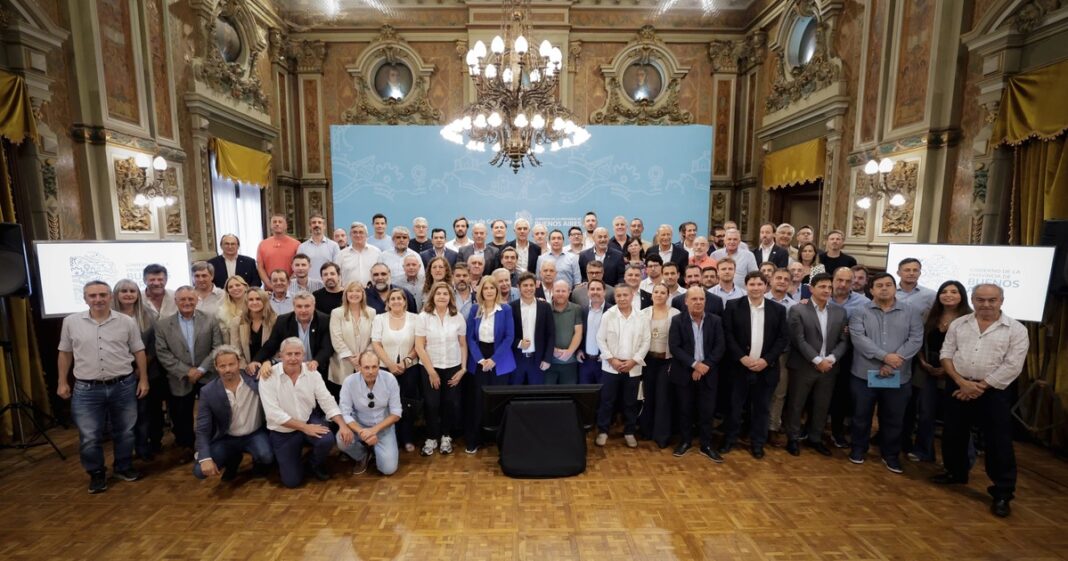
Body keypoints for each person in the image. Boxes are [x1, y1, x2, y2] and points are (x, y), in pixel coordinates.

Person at [934, 284, 1029, 518]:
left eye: (992, 300)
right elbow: (946, 354)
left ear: (1001, 301)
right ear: (973, 301)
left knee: (998, 442)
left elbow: (1013, 365)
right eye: (980, 300)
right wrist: (960, 382)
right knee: (954, 433)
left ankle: (1002, 492)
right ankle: (956, 473)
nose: (986, 304)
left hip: (994, 391)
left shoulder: (1016, 330)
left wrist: (980, 386)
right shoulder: (959, 324)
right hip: (958, 385)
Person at [58, 280, 149, 493]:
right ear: (85, 298)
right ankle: (96, 473)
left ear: (110, 297)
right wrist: (62, 381)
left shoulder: (127, 321)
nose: (98, 299)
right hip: (86, 389)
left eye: (102, 295)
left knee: (125, 431)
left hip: (123, 385)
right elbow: (65, 352)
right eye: (93, 296)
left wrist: (143, 379)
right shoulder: (71, 322)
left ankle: (123, 466)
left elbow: (139, 351)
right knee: (90, 435)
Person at [848, 272, 924, 474]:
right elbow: (859, 339)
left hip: (898, 375)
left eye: (888, 285)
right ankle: (858, 449)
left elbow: (916, 339)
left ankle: (890, 455)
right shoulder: (859, 311)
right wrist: (885, 357)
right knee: (861, 416)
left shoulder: (911, 312)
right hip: (864, 374)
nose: (884, 288)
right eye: (879, 285)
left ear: (894, 288)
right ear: (871, 289)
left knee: (893, 418)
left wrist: (893, 362)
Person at [259, 337, 353, 487]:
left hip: (308, 419)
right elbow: (273, 414)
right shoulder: (268, 376)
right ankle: (293, 462)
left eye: (297, 354)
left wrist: (342, 425)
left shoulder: (312, 373)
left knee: (327, 439)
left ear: (303, 355)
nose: (293, 358)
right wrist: (305, 428)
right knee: (292, 482)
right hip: (283, 430)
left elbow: (326, 400)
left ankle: (314, 463)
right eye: (289, 354)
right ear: (280, 355)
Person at [720, 272, 790, 459]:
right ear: (746, 286)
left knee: (761, 408)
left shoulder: (778, 310)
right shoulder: (734, 306)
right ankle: (730, 440)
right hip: (739, 368)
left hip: (766, 369)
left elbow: (782, 339)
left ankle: (758, 443)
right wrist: (741, 357)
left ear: (766, 286)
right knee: (734, 407)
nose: (756, 288)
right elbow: (727, 334)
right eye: (752, 284)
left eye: (760, 284)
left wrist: (766, 360)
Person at [783, 273, 849, 457]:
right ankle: (793, 438)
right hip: (804, 365)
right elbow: (798, 340)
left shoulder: (840, 312)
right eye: (822, 287)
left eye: (829, 287)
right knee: (796, 404)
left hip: (829, 367)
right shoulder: (798, 310)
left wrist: (831, 359)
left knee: (822, 405)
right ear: (811, 288)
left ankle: (815, 438)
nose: (826, 290)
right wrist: (817, 360)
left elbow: (844, 340)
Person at [156, 286, 223, 460]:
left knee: (211, 412)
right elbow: (163, 353)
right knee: (181, 415)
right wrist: (186, 371)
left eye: (190, 299)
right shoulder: (163, 324)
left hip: (207, 375)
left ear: (196, 300)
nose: (187, 302)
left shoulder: (210, 320)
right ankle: (186, 446)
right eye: (182, 299)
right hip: (179, 377)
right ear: (176, 301)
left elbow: (217, 347)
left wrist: (201, 369)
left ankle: (213, 445)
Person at [907, 281, 972, 463]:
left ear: (962, 296)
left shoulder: (969, 319)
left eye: (954, 291)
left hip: (955, 371)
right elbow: (918, 339)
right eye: (944, 291)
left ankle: (958, 457)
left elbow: (970, 348)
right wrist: (922, 361)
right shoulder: (931, 315)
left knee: (955, 417)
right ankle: (923, 451)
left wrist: (948, 369)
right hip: (927, 368)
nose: (948, 295)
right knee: (925, 412)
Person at [193, 345, 274, 481]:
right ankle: (233, 460)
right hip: (227, 438)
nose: (228, 369)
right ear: (216, 366)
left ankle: (258, 463)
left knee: (266, 456)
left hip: (255, 433)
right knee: (199, 471)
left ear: (239, 363)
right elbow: (202, 429)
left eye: (231, 364)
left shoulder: (255, 378)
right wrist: (205, 458)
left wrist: (268, 362)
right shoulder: (208, 391)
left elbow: (284, 361)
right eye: (222, 366)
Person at [668, 286, 726, 461]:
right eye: (694, 299)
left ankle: (706, 445)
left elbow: (720, 346)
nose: (698, 302)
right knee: (685, 410)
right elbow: (675, 347)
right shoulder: (677, 320)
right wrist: (694, 365)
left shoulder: (715, 321)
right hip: (684, 373)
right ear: (686, 301)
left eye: (701, 299)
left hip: (708, 373)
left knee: (707, 412)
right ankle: (685, 442)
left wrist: (705, 365)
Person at [111, 279, 164, 461]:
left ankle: (147, 446)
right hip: (120, 373)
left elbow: (154, 345)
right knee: (126, 416)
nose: (128, 294)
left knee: (148, 413)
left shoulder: (149, 315)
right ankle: (128, 451)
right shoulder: (109, 317)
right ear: (116, 295)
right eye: (123, 291)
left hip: (149, 371)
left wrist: (141, 369)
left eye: (132, 291)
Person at [594, 283, 650, 448]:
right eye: (619, 295)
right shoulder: (608, 315)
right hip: (611, 366)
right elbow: (600, 339)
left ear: (632, 295)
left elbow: (646, 341)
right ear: (615, 297)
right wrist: (612, 360)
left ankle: (629, 432)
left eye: (625, 295)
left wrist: (634, 360)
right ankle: (603, 431)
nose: (622, 298)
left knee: (630, 402)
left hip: (633, 366)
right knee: (607, 400)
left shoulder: (641, 317)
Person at [414, 282, 467, 456]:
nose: (442, 296)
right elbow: (419, 346)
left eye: (445, 294)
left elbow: (462, 344)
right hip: (430, 367)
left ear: (450, 297)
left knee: (449, 403)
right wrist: (431, 372)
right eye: (438, 294)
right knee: (431, 404)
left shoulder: (457, 317)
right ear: (433, 297)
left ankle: (446, 436)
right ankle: (431, 437)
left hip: (452, 366)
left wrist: (463, 368)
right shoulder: (423, 317)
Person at [464, 277, 517, 452]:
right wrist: (480, 359)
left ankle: (501, 440)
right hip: (478, 359)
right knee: (477, 401)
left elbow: (509, 337)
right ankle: (475, 439)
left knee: (499, 401)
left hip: (500, 359)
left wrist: (494, 359)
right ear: (481, 291)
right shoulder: (474, 309)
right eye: (485, 288)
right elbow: (470, 337)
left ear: (497, 290)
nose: (489, 291)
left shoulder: (506, 309)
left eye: (492, 288)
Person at [371, 288, 421, 453]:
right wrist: (390, 364)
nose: (396, 301)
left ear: (405, 301)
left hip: (410, 368)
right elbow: (376, 343)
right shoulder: (380, 319)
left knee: (407, 403)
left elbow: (419, 344)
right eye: (392, 299)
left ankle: (407, 438)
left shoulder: (415, 319)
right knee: (387, 404)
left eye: (400, 298)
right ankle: (390, 438)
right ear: (388, 303)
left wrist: (406, 362)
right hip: (386, 369)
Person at [338, 350, 403, 475]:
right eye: (366, 367)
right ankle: (362, 455)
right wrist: (362, 432)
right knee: (341, 440)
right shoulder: (349, 382)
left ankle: (376, 450)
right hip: (359, 426)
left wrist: (373, 431)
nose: (371, 371)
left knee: (388, 469)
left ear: (379, 366)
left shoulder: (390, 379)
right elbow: (345, 413)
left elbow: (396, 413)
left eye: (374, 367)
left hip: (383, 427)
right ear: (359, 368)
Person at [249, 291, 333, 382]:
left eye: (307, 306)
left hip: (316, 369)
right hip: (291, 369)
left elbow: (326, 347)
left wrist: (316, 362)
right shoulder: (283, 321)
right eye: (299, 306)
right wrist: (256, 360)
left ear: (314, 305)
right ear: (294, 307)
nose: (303, 310)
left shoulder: (324, 320)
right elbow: (271, 344)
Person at [641, 283, 679, 446]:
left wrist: (675, 362)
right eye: (656, 292)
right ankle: (646, 431)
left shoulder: (675, 314)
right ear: (651, 295)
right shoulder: (643, 314)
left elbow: (679, 341)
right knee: (648, 396)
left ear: (668, 295)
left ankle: (661, 436)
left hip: (666, 361)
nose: (659, 295)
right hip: (648, 361)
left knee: (663, 398)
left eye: (663, 292)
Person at [764, 268, 797, 438]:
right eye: (779, 278)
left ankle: (773, 427)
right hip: (760, 354)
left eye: (786, 279)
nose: (782, 281)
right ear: (770, 280)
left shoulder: (795, 307)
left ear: (790, 283)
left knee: (779, 392)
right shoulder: (760, 300)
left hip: (783, 355)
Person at [328, 281, 375, 397]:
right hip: (343, 363)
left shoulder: (371, 312)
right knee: (344, 398)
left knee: (364, 397)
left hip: (365, 362)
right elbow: (336, 338)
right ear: (346, 294)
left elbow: (374, 338)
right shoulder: (337, 313)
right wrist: (351, 358)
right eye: (351, 291)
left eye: (358, 291)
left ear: (363, 294)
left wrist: (363, 356)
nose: (354, 294)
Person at [509, 273, 555, 385]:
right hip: (517, 359)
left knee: (536, 395)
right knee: (515, 394)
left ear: (536, 286)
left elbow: (551, 334)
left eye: (531, 285)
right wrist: (519, 343)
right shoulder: (511, 307)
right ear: (518, 287)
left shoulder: (545, 307)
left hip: (538, 359)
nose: (529, 288)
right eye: (525, 285)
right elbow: (507, 334)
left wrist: (547, 358)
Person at [546, 280, 584, 385]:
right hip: (549, 361)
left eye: (563, 291)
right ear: (552, 292)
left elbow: (578, 332)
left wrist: (569, 352)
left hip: (570, 361)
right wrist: (552, 350)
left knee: (569, 395)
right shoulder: (546, 308)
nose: (560, 294)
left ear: (569, 292)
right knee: (547, 394)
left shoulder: (576, 309)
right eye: (557, 291)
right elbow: (543, 334)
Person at [230, 287, 277, 368]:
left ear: (265, 301)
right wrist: (246, 368)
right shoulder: (236, 322)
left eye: (258, 299)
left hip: (269, 367)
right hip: (245, 369)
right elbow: (236, 351)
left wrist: (267, 364)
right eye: (251, 300)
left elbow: (277, 349)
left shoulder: (275, 321)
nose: (254, 302)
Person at [577, 279, 609, 385]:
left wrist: (607, 354)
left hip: (605, 362)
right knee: (585, 397)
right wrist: (579, 350)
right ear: (588, 292)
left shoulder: (612, 311)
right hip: (585, 362)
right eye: (592, 289)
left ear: (604, 292)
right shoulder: (581, 310)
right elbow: (579, 334)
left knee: (604, 395)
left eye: (598, 289)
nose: (595, 292)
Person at [256, 214, 301, 282]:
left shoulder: (296, 244)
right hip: (269, 288)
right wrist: (269, 284)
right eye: (274, 222)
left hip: (292, 286)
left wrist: (289, 283)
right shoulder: (262, 244)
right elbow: (260, 267)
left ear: (286, 226)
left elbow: (300, 266)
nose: (277, 224)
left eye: (280, 222)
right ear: (271, 226)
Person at [337, 222, 382, 288]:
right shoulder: (341, 255)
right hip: (349, 294)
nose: (358, 235)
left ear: (366, 235)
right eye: (354, 232)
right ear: (350, 235)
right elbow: (337, 276)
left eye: (361, 232)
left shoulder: (376, 252)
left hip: (372, 293)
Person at [297, 213, 340, 283]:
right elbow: (299, 268)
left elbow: (337, 268)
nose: (317, 225)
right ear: (310, 227)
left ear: (324, 226)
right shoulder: (302, 247)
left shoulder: (334, 246)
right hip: (308, 287)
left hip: (327, 286)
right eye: (314, 223)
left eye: (319, 222)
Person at [216, 275, 248, 343]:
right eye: (230, 287)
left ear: (245, 287)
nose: (235, 288)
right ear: (228, 292)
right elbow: (225, 339)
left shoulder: (254, 305)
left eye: (238, 285)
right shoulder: (223, 312)